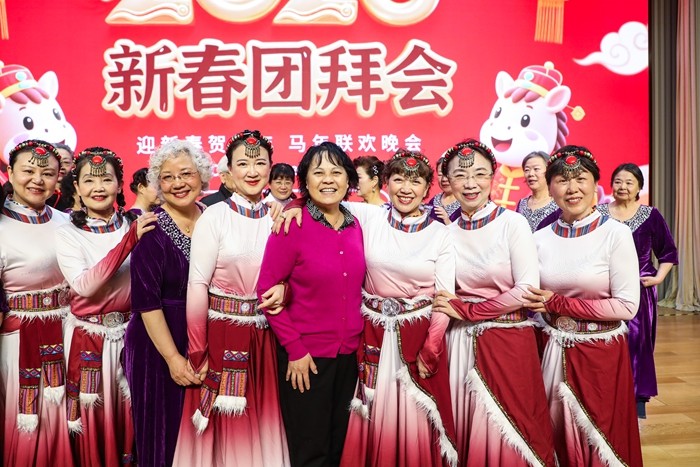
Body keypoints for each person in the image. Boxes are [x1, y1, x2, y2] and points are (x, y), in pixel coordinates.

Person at [432, 138, 556, 466]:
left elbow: (527, 289)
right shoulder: (446, 233)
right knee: (466, 425)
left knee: (516, 426)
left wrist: (470, 310)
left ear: (493, 177)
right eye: (460, 175)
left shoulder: (512, 223)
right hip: (460, 343)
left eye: (479, 174)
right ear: (448, 181)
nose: (470, 184)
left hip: (508, 340)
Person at [173, 130, 289, 466]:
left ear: (270, 168)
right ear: (229, 170)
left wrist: (286, 289)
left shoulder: (280, 216)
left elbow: (294, 275)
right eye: (243, 164)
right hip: (221, 337)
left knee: (263, 421)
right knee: (222, 430)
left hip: (267, 337)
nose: (252, 171)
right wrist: (198, 350)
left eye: (260, 163)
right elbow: (197, 284)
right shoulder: (215, 215)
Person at [523, 146, 642, 466]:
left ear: (596, 185)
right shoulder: (539, 238)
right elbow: (530, 295)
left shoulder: (615, 234)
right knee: (554, 433)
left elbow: (627, 306)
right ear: (550, 188)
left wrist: (557, 303)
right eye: (562, 180)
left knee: (601, 438)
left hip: (600, 354)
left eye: (580, 179)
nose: (572, 188)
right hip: (551, 349)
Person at [340, 149, 457, 466]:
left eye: (416, 181)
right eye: (399, 179)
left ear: (427, 188)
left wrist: (432, 346)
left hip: (417, 338)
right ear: (386, 182)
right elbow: (324, 199)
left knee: (415, 420)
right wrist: (293, 207)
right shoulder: (370, 217)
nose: (406, 188)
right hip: (372, 334)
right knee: (372, 414)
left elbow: (444, 297)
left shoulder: (441, 235)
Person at [257, 142, 365, 467]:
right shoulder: (293, 224)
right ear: (305, 181)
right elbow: (266, 292)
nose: (328, 179)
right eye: (318, 173)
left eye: (336, 172)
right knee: (310, 453)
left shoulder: (355, 224)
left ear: (348, 179)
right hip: (306, 357)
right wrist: (295, 349)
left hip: (348, 356)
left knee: (339, 449)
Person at [55, 148, 156, 465]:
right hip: (89, 336)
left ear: (119, 184)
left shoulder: (135, 224)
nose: (98, 187)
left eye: (106, 179)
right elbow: (85, 285)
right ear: (77, 186)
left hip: (133, 335)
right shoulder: (67, 233)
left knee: (133, 418)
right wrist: (129, 242)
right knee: (93, 421)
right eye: (89, 180)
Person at [122, 139, 211, 467]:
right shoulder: (150, 229)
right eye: (168, 177)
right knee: (163, 435)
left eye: (186, 174)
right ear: (157, 184)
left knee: (201, 436)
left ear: (202, 176)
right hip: (157, 343)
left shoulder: (214, 219)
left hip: (203, 338)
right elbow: (146, 304)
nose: (178, 183)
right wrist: (173, 358)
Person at [0, 139, 74, 466]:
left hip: (67, 333)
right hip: (17, 341)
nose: (37, 180)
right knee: (22, 420)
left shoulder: (67, 221)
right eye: (28, 171)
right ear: (9, 172)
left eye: (47, 173)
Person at [598, 162, 678, 419]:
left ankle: (635, 399)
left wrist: (658, 279)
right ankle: (605, 394)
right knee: (604, 341)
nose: (622, 186)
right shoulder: (599, 213)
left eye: (629, 182)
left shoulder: (651, 215)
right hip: (604, 290)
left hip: (639, 291)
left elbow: (668, 252)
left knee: (636, 344)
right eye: (618, 181)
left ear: (639, 188)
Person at [516, 151, 560, 232]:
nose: (530, 174)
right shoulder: (522, 204)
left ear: (549, 171)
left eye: (536, 169)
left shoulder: (559, 204)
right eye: (527, 170)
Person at [428, 156, 461, 224]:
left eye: (447, 174)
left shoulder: (465, 202)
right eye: (440, 174)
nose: (444, 179)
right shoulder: (433, 201)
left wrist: (447, 221)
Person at [52, 143, 77, 211]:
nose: (61, 166)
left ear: (73, 165)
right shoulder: (38, 192)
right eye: (56, 161)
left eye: (66, 162)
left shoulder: (79, 194)